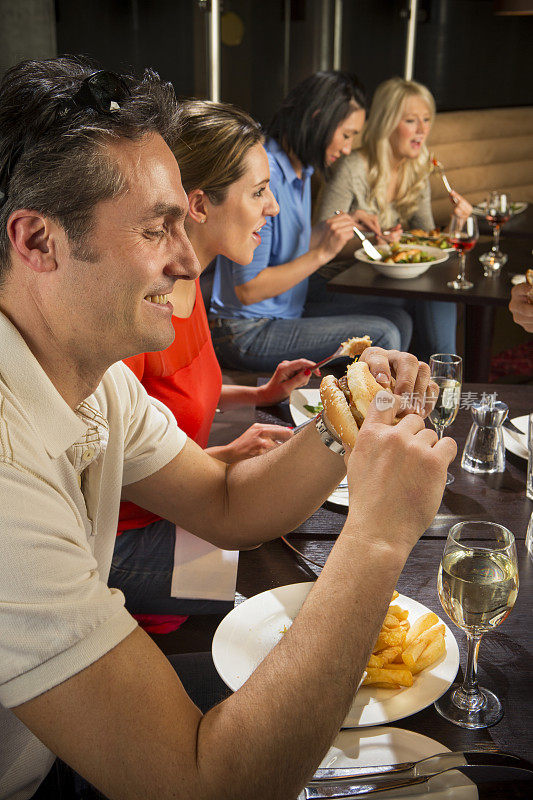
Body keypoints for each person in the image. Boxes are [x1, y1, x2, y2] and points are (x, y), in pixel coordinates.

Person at [0, 57, 455, 800]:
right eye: (157, 229)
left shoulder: (98, 377)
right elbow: (204, 785)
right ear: (38, 241)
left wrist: (350, 414)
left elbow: (225, 501)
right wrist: (378, 536)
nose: (186, 261)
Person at [111, 100, 318, 634]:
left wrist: (256, 394)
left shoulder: (190, 278)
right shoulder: (142, 309)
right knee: (274, 570)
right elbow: (106, 471)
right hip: (122, 539)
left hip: (180, 504)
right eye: (258, 192)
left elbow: (166, 397)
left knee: (296, 536)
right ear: (198, 205)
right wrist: (221, 460)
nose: (272, 208)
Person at [208, 71, 413, 372]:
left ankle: (370, 410)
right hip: (246, 330)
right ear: (317, 119)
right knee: (385, 333)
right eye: (346, 135)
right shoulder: (267, 174)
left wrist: (342, 226)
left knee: (399, 316)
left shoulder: (300, 168)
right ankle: (364, 414)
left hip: (284, 310)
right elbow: (248, 289)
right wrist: (322, 253)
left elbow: (286, 243)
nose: (347, 148)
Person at [318, 77, 473, 361]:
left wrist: (457, 224)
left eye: (426, 120)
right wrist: (372, 244)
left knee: (436, 294)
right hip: (337, 283)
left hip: (385, 281)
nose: (423, 130)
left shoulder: (416, 169)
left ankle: (438, 385)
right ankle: (443, 384)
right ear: (387, 123)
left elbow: (427, 241)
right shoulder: (351, 168)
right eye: (412, 120)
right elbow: (320, 248)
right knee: (432, 297)